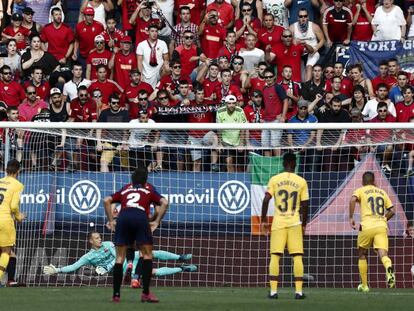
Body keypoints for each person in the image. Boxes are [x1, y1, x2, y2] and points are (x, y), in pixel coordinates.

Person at [104, 166, 169, 303]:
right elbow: (164, 203)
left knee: (119, 257)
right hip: (140, 218)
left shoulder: (125, 188)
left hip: (123, 218)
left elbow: (106, 200)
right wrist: (156, 221)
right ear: (146, 180)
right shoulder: (149, 189)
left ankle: (116, 295)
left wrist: (111, 221)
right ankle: (145, 293)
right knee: (147, 255)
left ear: (132, 180)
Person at [43, 232, 196, 284]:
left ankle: (180, 257)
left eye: (99, 237)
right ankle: (182, 269)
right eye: (96, 238)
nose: (99, 239)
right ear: (91, 241)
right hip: (125, 270)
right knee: (153, 272)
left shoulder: (108, 244)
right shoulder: (88, 257)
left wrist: (106, 268)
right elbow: (74, 267)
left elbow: (118, 256)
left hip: (128, 259)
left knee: (150, 252)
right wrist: (57, 269)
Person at [261, 152, 309, 299]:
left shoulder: (275, 179)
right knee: (297, 256)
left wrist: (263, 220)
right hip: (295, 222)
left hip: (278, 222)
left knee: (275, 256)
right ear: (295, 163)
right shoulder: (301, 181)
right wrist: (304, 224)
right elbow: (305, 204)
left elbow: (266, 200)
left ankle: (274, 292)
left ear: (283, 164)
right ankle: (299, 292)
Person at [349, 171, 396, 292]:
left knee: (362, 253)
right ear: (374, 181)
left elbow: (353, 200)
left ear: (362, 181)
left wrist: (351, 218)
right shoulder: (382, 192)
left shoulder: (360, 190)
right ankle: (388, 267)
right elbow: (392, 210)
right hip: (381, 226)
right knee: (383, 254)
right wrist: (383, 219)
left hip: (366, 225)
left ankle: (364, 285)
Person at [0, 159, 25, 282]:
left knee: (7, 253)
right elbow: (14, 206)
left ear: (5, 170)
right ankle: (5, 279)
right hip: (5, 220)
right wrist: (18, 216)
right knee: (6, 252)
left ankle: (10, 280)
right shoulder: (18, 185)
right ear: (18, 171)